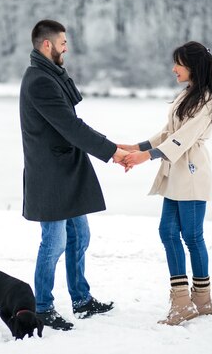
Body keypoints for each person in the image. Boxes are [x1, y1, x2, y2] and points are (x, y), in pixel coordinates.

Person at [19, 19, 129, 331]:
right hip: (50, 176)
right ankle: (41, 307)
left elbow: (71, 124)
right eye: (63, 42)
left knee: (80, 236)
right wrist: (112, 151)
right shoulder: (39, 81)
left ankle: (81, 300)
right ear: (47, 45)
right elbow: (71, 126)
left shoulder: (49, 74)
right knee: (53, 243)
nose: (67, 47)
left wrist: (112, 146)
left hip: (65, 170)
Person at [120, 41, 212, 325]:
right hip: (174, 172)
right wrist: (136, 147)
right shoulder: (188, 94)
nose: (174, 68)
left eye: (178, 63)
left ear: (193, 66)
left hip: (190, 172)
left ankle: (201, 299)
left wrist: (145, 157)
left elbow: (183, 138)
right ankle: (182, 301)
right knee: (167, 231)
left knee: (191, 236)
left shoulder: (208, 99)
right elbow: (168, 132)